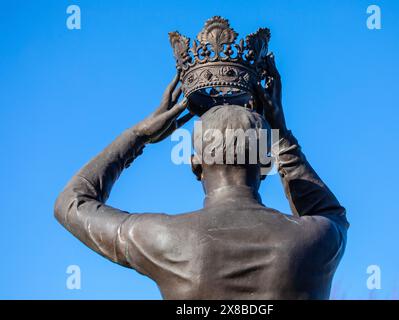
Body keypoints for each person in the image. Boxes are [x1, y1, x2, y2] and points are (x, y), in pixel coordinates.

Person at [54, 55, 348, 299]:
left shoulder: (162, 237)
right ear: (265, 163)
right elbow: (330, 213)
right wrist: (282, 138)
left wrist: (139, 135)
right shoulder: (316, 239)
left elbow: (71, 203)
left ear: (196, 165)